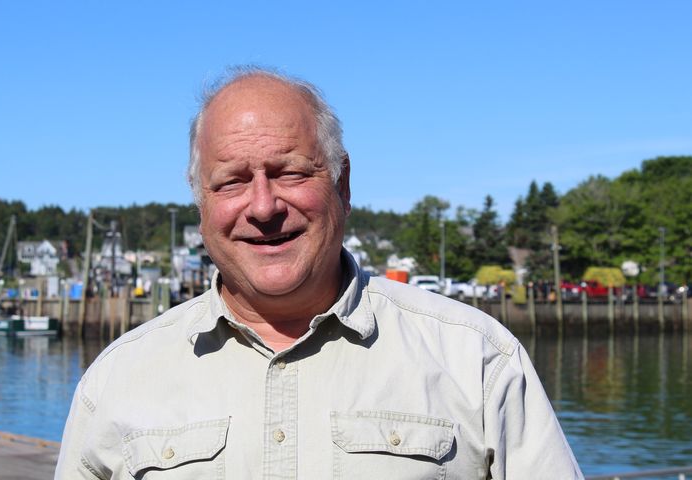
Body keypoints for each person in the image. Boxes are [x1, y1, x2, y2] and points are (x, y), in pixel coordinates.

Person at [55, 66, 583, 479]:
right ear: (201, 205)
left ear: (343, 185)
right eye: (232, 182)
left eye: (289, 172)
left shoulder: (477, 359)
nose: (263, 206)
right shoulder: (117, 380)